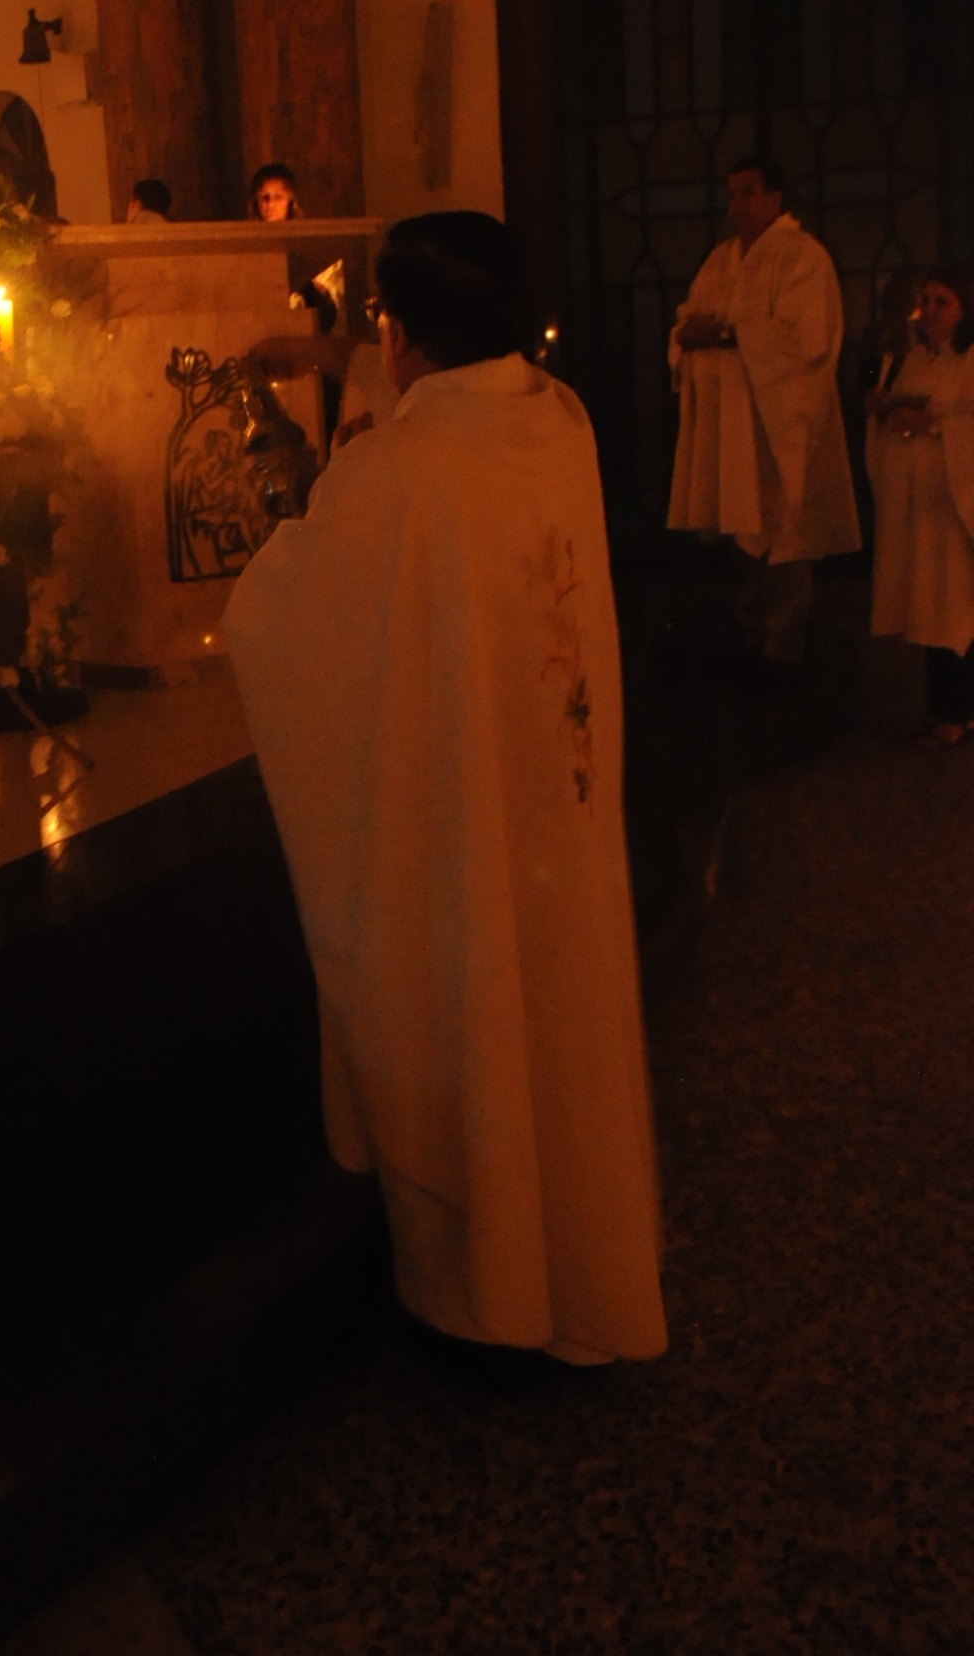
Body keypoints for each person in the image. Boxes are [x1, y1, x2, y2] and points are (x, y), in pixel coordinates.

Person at [224, 211, 667, 1365]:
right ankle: (583, 1276)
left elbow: (276, 622)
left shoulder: (399, 468)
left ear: (398, 328)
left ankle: (488, 1297)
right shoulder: (554, 418)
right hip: (556, 804)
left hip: (467, 817)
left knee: (472, 1014)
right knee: (561, 1023)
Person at [667, 157, 860, 671]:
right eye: (731, 194)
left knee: (783, 522)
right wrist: (687, 334)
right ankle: (752, 629)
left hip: (779, 419)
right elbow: (692, 314)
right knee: (740, 518)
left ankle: (785, 642)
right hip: (732, 421)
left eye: (748, 193)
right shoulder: (721, 260)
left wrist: (727, 333)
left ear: (775, 198)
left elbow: (804, 338)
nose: (737, 205)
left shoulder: (803, 257)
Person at [867, 269, 974, 744]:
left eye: (941, 302)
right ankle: (941, 705)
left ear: (963, 310)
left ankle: (963, 711)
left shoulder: (970, 362)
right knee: (930, 603)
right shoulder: (913, 361)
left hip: (958, 506)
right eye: (925, 301)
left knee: (958, 603)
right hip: (924, 506)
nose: (928, 311)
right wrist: (886, 412)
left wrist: (935, 424)